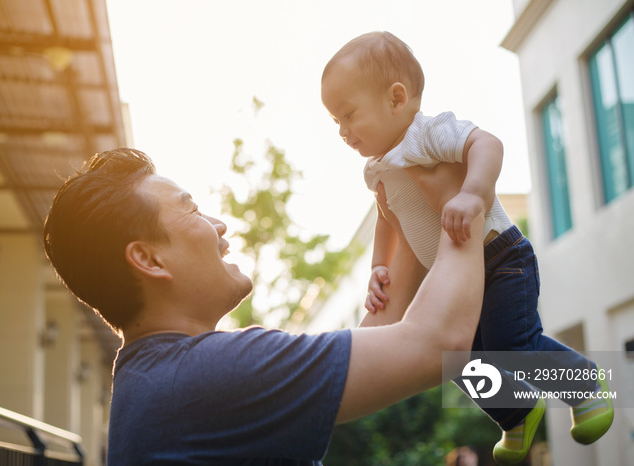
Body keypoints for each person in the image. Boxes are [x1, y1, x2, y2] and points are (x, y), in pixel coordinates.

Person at [43, 147, 487, 465]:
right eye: (192, 210)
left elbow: (378, 349)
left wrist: (408, 211)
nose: (218, 226)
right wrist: (461, 196)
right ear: (148, 259)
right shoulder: (210, 375)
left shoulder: (159, 377)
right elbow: (437, 344)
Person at [320, 31, 614, 465]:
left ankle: (585, 387)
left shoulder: (426, 134)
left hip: (500, 260)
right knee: (454, 358)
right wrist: (380, 266)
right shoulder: (375, 170)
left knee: (512, 345)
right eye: (335, 122)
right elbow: (388, 218)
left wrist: (473, 193)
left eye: (349, 115)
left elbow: (487, 143)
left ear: (396, 99)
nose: (343, 131)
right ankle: (516, 412)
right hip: (456, 280)